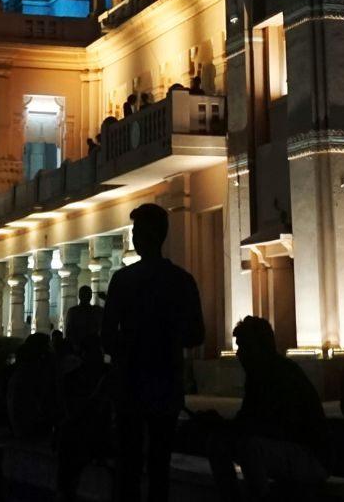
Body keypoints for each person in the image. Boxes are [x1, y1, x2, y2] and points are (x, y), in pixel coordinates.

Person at [102, 202, 205, 501]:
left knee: (129, 465)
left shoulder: (123, 281)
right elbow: (196, 334)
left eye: (136, 231)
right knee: (160, 466)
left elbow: (107, 337)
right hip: (166, 385)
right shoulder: (182, 281)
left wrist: (131, 344)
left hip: (130, 386)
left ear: (147, 235)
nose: (133, 237)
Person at [198, 316, 326, 501]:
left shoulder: (279, 375)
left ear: (258, 347)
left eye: (243, 347)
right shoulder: (260, 374)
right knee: (219, 443)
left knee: (248, 447)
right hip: (292, 451)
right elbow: (250, 421)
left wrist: (224, 426)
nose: (239, 354)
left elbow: (270, 426)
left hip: (311, 457)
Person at [65, 282, 104, 359]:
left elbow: (69, 330)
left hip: (86, 347)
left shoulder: (73, 311)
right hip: (84, 347)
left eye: (87, 294)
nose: (86, 297)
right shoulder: (96, 310)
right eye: (85, 294)